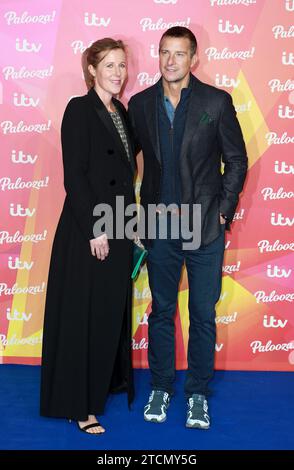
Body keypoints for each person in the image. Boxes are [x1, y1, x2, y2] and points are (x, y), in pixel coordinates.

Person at [128, 27, 247, 429]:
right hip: (160, 226)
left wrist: (223, 210)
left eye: (179, 54)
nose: (171, 61)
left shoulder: (216, 101)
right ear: (158, 55)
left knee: (201, 313)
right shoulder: (141, 104)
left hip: (205, 229)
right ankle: (161, 386)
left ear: (193, 59)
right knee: (161, 310)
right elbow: (125, 161)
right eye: (165, 53)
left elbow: (236, 159)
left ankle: (197, 393)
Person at [40, 38, 136, 434]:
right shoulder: (79, 110)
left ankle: (101, 384)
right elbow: (75, 176)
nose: (117, 73)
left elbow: (128, 176)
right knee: (83, 316)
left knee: (108, 313)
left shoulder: (122, 112)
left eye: (121, 65)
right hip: (89, 231)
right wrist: (96, 229)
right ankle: (79, 406)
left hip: (120, 226)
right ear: (92, 70)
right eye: (109, 65)